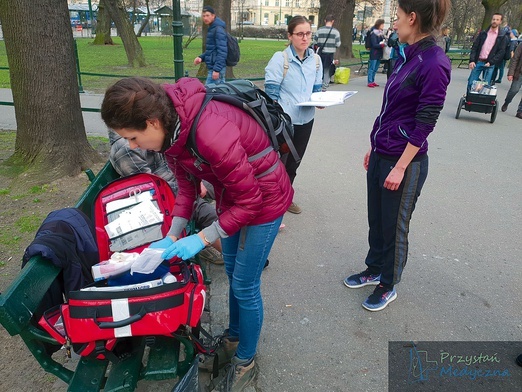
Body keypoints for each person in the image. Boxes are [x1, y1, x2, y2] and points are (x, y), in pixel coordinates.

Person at [101, 76, 293, 392]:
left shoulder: (208, 132)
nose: (132, 146)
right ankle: (233, 338)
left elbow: (252, 200)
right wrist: (174, 234)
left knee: (245, 284)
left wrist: (201, 238)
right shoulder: (172, 132)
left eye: (133, 137)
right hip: (233, 197)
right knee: (233, 274)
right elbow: (187, 189)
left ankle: (246, 361)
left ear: (151, 122)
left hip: (266, 199)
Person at [344, 0, 451, 312]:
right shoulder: (407, 55)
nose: (395, 23)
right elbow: (392, 110)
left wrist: (400, 167)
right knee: (376, 219)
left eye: (399, 17)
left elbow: (425, 123)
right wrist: (374, 146)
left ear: (413, 18)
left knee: (394, 226)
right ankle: (374, 268)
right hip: (383, 152)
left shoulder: (433, 61)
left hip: (405, 162)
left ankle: (388, 284)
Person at [107, 130, 224, 265]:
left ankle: (236, 246)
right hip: (167, 201)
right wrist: (191, 188)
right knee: (212, 216)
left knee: (222, 185)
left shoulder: (143, 134)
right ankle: (234, 259)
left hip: (180, 186)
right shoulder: (126, 149)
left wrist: (196, 181)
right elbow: (151, 191)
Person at [264, 15, 323, 215]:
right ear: (290, 36)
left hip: (306, 120)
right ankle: (271, 201)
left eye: (308, 33)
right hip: (284, 123)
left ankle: (286, 198)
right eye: (300, 34)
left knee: (294, 163)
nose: (305, 38)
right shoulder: (280, 59)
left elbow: (316, 90)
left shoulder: (316, 60)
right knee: (279, 161)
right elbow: (270, 98)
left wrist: (321, 101)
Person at [467, 13, 510, 92]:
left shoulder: (502, 36)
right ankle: (469, 100)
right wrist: (472, 60)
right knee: (471, 83)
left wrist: (491, 62)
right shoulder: (483, 33)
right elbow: (475, 47)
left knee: (485, 86)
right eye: (493, 19)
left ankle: (481, 101)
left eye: (497, 20)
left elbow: (501, 52)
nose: (494, 21)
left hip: (490, 64)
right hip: (478, 61)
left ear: (500, 22)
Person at [193, 5, 227, 86]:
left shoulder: (218, 29)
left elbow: (222, 51)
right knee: (217, 94)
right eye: (203, 16)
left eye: (207, 15)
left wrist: (217, 70)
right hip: (213, 68)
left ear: (213, 16)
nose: (205, 18)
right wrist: (201, 57)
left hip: (216, 69)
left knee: (211, 93)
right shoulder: (212, 28)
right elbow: (212, 50)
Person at [313, 14, 341, 89]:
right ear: (333, 21)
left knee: (319, 68)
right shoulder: (336, 32)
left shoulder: (319, 30)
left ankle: (318, 83)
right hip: (330, 53)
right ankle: (325, 85)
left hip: (320, 52)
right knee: (327, 69)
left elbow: (314, 41)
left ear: (325, 21)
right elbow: (338, 44)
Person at [500, 42, 522, 119]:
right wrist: (511, 73)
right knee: (514, 90)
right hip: (519, 73)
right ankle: (507, 102)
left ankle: (520, 111)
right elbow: (515, 59)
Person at [367, 19, 386, 88]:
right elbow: (374, 44)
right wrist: (382, 45)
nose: (383, 26)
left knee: (375, 68)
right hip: (374, 52)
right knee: (372, 67)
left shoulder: (380, 33)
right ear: (379, 25)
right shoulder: (374, 33)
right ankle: (370, 81)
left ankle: (372, 80)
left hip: (379, 53)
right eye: (382, 24)